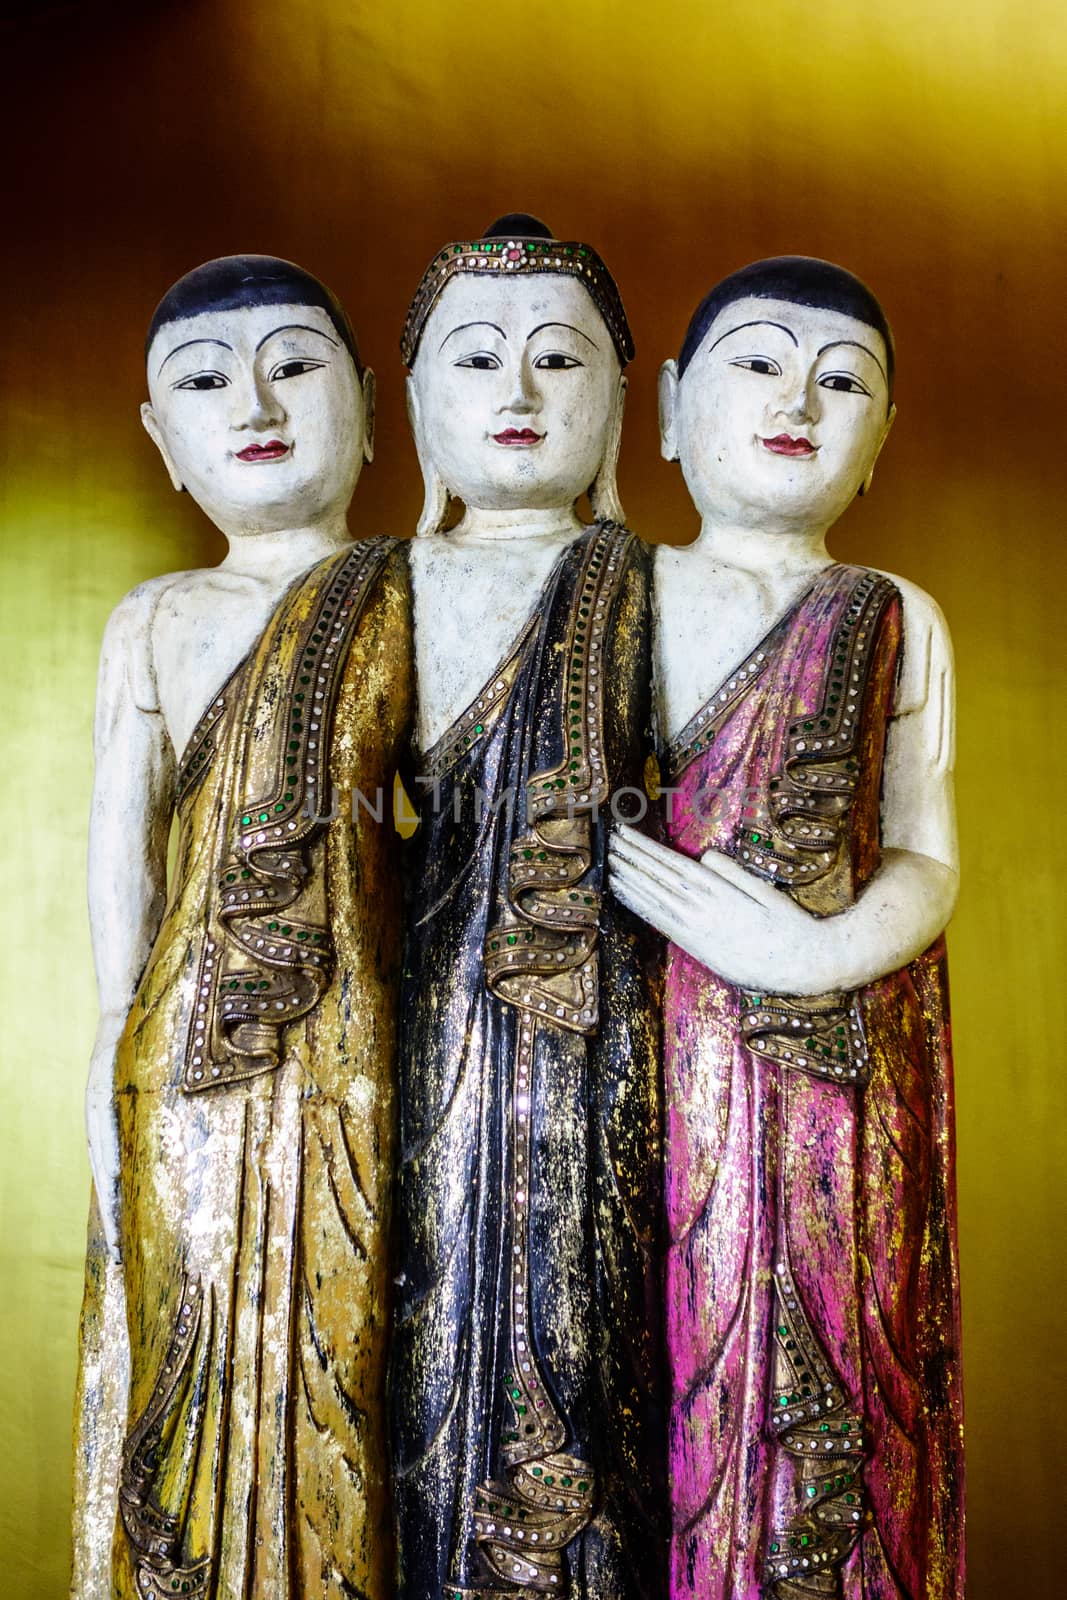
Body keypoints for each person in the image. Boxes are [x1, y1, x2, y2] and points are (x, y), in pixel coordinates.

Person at [610, 258, 965, 1600]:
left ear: (879, 441)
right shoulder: (615, 596)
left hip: (839, 1074)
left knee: (842, 1387)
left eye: (844, 380)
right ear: (666, 411)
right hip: (651, 1062)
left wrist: (807, 954)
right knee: (653, 1375)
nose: (799, 402)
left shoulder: (891, 612)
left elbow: (928, 852)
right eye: (758, 363)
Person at [72, 255, 412, 1600]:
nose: (255, 402)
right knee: (192, 1345)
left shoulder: (416, 587)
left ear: (376, 407)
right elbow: (122, 845)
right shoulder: (156, 618)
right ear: (161, 438)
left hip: (363, 1037)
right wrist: (109, 1031)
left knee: (358, 1357)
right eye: (206, 382)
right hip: (185, 1046)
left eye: (295, 364)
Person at [391, 215, 668, 1600]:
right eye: (477, 359)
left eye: (561, 359)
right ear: (416, 406)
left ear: (626, 400)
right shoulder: (375, 589)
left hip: (622, 1037)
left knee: (603, 1337)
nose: (517, 393)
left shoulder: (660, 587)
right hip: (421, 1033)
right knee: (432, 1332)